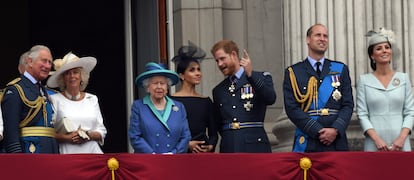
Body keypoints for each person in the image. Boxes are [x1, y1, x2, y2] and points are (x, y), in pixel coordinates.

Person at [283, 23, 354, 152]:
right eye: (318, 35)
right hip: (309, 139)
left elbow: (348, 105)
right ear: (308, 40)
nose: (322, 39)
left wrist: (335, 129)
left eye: (325, 36)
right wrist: (317, 130)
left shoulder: (340, 69)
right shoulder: (294, 72)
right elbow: (291, 107)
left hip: (336, 141)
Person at [211, 40, 276, 153]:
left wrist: (251, 75)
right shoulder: (219, 90)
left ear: (234, 55)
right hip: (229, 147)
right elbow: (219, 123)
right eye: (217, 61)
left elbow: (270, 98)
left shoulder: (261, 77)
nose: (219, 64)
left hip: (255, 146)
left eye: (222, 59)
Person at [357, 28, 414, 152]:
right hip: (374, 142)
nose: (384, 51)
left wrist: (402, 138)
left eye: (387, 47)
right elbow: (362, 114)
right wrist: (376, 139)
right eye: (379, 48)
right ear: (372, 55)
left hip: (401, 142)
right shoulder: (364, 80)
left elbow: (410, 111)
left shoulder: (403, 78)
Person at [1, 45, 58, 153]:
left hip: (50, 151)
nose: (47, 66)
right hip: (28, 151)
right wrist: (16, 156)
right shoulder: (16, 89)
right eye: (44, 61)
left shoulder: (44, 90)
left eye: (50, 62)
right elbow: (10, 130)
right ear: (30, 61)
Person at [46, 52, 107, 154]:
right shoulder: (54, 99)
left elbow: (102, 131)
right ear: (63, 79)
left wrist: (87, 135)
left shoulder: (92, 99)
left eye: (75, 72)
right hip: (67, 154)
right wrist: (67, 138)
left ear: (81, 76)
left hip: (93, 154)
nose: (72, 76)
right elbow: (48, 132)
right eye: (67, 73)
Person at [128, 62, 191, 154]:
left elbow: (186, 136)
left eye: (162, 83)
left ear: (167, 86)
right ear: (148, 86)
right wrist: (153, 155)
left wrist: (173, 153)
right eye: (155, 83)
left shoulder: (179, 107)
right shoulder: (139, 107)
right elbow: (135, 136)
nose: (159, 87)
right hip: (148, 160)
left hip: (174, 160)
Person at [170, 44, 218, 153]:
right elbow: (167, 132)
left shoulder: (206, 101)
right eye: (192, 70)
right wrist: (186, 144)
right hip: (180, 155)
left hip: (202, 154)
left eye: (198, 69)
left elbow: (213, 133)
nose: (198, 73)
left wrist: (210, 146)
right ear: (182, 75)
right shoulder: (171, 101)